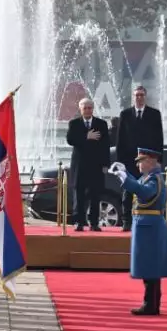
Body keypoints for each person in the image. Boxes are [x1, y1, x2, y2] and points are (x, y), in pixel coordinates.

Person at [113, 148, 167, 315]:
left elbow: (145, 192)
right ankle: (151, 303)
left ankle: (150, 304)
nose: (138, 164)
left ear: (150, 161)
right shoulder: (148, 177)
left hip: (150, 227)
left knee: (151, 268)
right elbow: (139, 185)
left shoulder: (155, 179)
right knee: (149, 267)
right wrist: (125, 175)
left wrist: (126, 180)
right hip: (147, 226)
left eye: (141, 161)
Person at [112, 86, 164, 231]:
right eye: (136, 95)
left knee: (147, 191)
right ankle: (126, 222)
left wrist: (158, 160)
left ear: (145, 96)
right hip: (129, 160)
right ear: (133, 97)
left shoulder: (154, 114)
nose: (139, 97)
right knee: (127, 192)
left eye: (141, 95)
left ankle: (146, 220)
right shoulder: (125, 114)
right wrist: (120, 161)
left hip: (148, 161)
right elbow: (120, 140)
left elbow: (159, 138)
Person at [65, 97, 111, 231]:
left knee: (95, 194)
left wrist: (105, 164)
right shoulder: (74, 124)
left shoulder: (101, 124)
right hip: (80, 165)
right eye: (84, 108)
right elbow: (70, 139)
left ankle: (94, 222)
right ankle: (79, 222)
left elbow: (105, 145)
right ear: (80, 109)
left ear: (93, 109)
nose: (87, 110)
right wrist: (86, 136)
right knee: (78, 194)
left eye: (89, 108)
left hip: (96, 166)